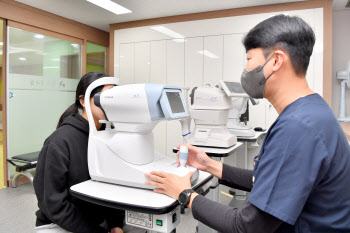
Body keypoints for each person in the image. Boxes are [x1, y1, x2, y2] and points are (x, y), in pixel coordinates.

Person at [145, 15, 350, 232]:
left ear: (275, 61)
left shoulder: (297, 127)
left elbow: (248, 226)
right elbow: (264, 180)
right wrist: (209, 165)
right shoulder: (312, 110)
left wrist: (185, 194)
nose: (246, 68)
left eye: (249, 59)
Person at [34, 72, 124, 233]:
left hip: (98, 220)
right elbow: (53, 205)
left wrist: (115, 224)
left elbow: (113, 187)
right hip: (60, 222)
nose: (111, 104)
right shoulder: (59, 142)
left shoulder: (109, 136)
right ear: (83, 100)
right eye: (105, 98)